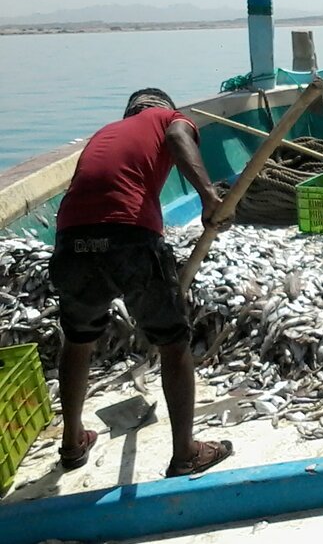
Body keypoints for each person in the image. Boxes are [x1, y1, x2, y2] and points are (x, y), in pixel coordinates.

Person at [48, 88, 234, 477]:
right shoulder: (169, 119)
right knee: (172, 341)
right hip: (129, 236)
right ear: (163, 108)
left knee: (78, 340)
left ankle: (72, 443)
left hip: (72, 240)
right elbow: (179, 137)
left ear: (130, 111)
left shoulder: (105, 133)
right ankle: (185, 454)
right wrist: (208, 196)